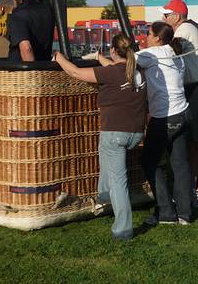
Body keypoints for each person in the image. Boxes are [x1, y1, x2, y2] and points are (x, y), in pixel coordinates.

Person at [54, 34, 147, 240]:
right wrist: (98, 56)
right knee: (105, 154)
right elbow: (114, 70)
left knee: (118, 181)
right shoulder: (137, 72)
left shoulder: (112, 74)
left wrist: (58, 57)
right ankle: (104, 196)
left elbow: (75, 72)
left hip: (115, 133)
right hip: (136, 132)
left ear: (114, 51)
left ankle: (123, 229)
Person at [160, 0, 198, 207]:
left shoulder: (184, 29)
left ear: (176, 16)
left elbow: (168, 53)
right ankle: (191, 188)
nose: (163, 18)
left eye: (166, 15)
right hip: (190, 88)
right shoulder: (183, 29)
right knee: (192, 143)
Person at [135, 21, 192, 226]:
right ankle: (185, 213)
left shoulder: (153, 54)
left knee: (150, 161)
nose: (145, 38)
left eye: (148, 34)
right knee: (180, 164)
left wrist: (98, 58)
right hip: (184, 115)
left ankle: (167, 212)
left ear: (158, 38)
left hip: (164, 118)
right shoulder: (175, 54)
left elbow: (125, 62)